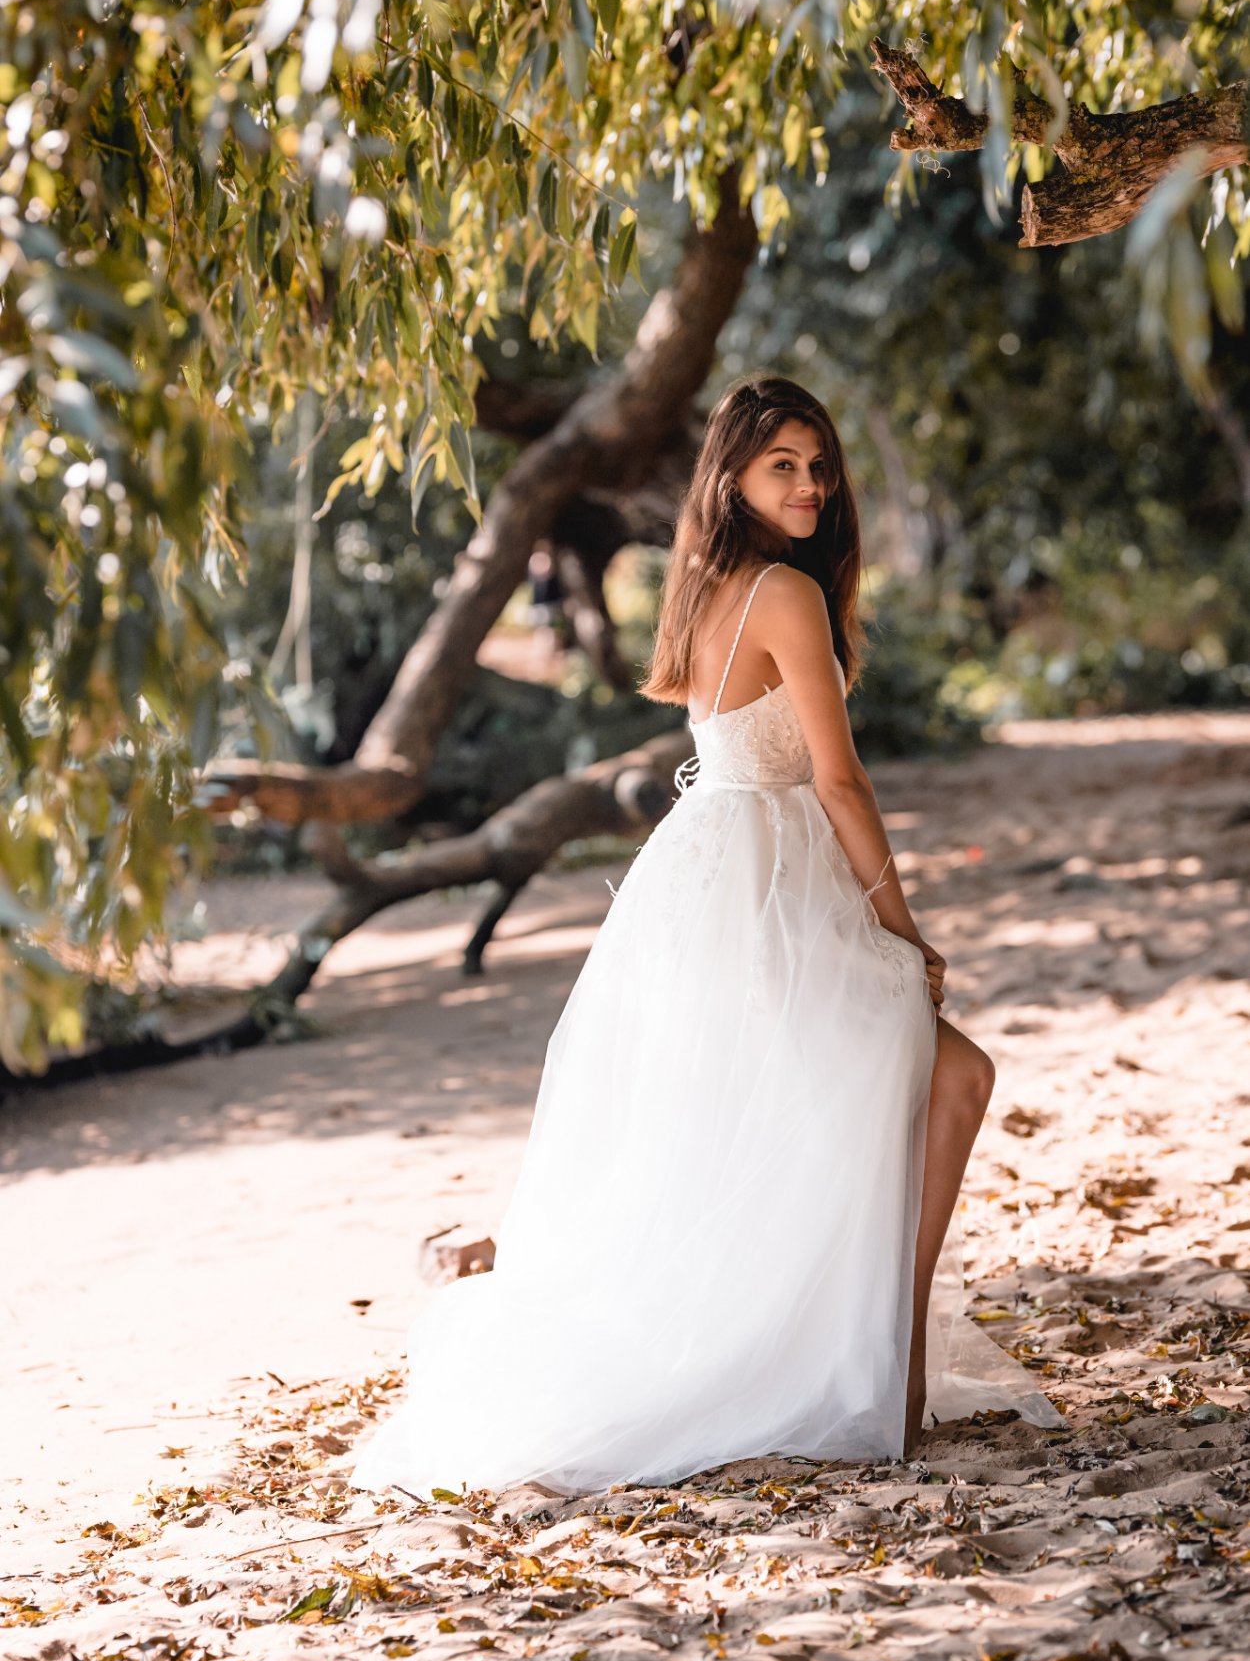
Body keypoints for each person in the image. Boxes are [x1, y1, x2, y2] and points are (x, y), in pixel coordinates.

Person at [349, 376, 1061, 1501]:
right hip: (766, 879)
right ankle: (889, 1360)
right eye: (783, 465)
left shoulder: (708, 582)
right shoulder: (784, 590)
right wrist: (904, 932)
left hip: (715, 869)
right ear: (731, 474)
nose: (810, 484)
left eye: (818, 466)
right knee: (948, 1076)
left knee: (828, 1106)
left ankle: (870, 1354)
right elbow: (838, 781)